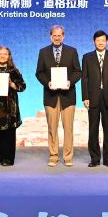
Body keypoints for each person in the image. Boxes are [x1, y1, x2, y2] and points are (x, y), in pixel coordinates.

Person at [35, 24, 81, 167]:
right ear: (51, 37)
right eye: (54, 35)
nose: (57, 38)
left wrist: (70, 82)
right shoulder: (43, 52)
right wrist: (47, 82)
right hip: (50, 96)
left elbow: (77, 71)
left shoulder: (72, 51)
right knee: (52, 128)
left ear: (63, 36)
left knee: (68, 128)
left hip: (68, 96)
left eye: (59, 35)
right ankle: (53, 156)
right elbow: (39, 72)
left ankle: (68, 157)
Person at [81, 30, 108, 167]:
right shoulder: (87, 57)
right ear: (94, 42)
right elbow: (84, 78)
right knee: (93, 129)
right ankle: (94, 158)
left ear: (107, 42)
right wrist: (85, 97)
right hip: (92, 98)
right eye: (98, 40)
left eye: (103, 40)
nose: (100, 42)